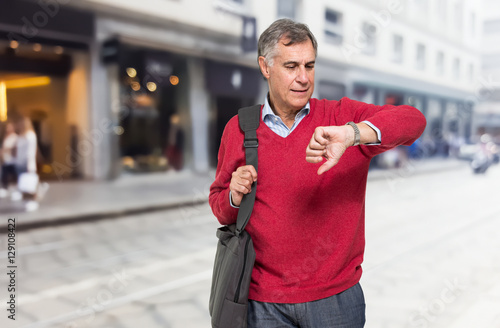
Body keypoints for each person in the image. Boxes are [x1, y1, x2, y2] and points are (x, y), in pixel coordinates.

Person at [209, 18, 426, 327]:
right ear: (265, 66)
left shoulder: (341, 117)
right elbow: (220, 206)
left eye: (309, 66)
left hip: (336, 301)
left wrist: (352, 135)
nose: (303, 78)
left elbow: (413, 120)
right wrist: (233, 194)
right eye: (291, 66)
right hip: (264, 302)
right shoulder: (240, 128)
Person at [13, 116, 39, 211]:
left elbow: (30, 151)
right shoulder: (21, 135)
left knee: (29, 185)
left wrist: (29, 165)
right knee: (23, 184)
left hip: (27, 163)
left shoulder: (30, 135)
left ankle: (31, 201)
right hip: (19, 163)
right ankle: (26, 201)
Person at [0, 121, 18, 198]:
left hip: (12, 160)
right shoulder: (6, 137)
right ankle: (5, 188)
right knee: (5, 175)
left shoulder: (15, 137)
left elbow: (14, 148)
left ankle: (17, 189)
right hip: (6, 159)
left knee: (14, 175)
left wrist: (5, 150)